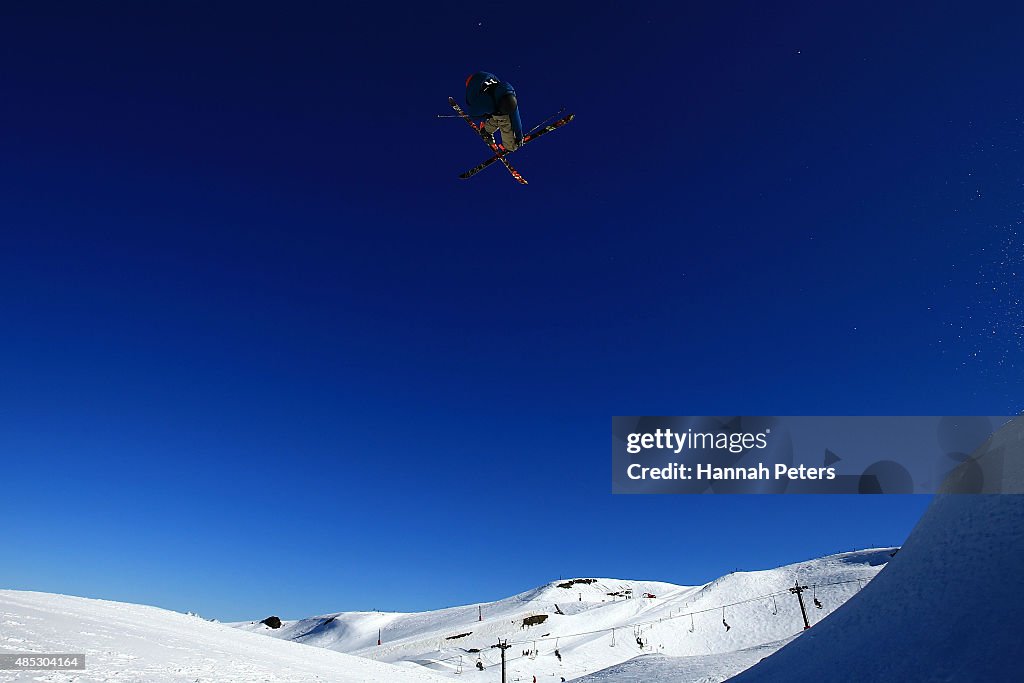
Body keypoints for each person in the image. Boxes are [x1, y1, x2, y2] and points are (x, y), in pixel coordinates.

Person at [464, 71, 524, 152]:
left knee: (501, 117)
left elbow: (515, 116)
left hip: (488, 85)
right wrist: (486, 116)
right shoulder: (485, 103)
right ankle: (510, 146)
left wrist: (519, 136)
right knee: (503, 120)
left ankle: (486, 130)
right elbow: (472, 114)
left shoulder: (509, 93)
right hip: (481, 95)